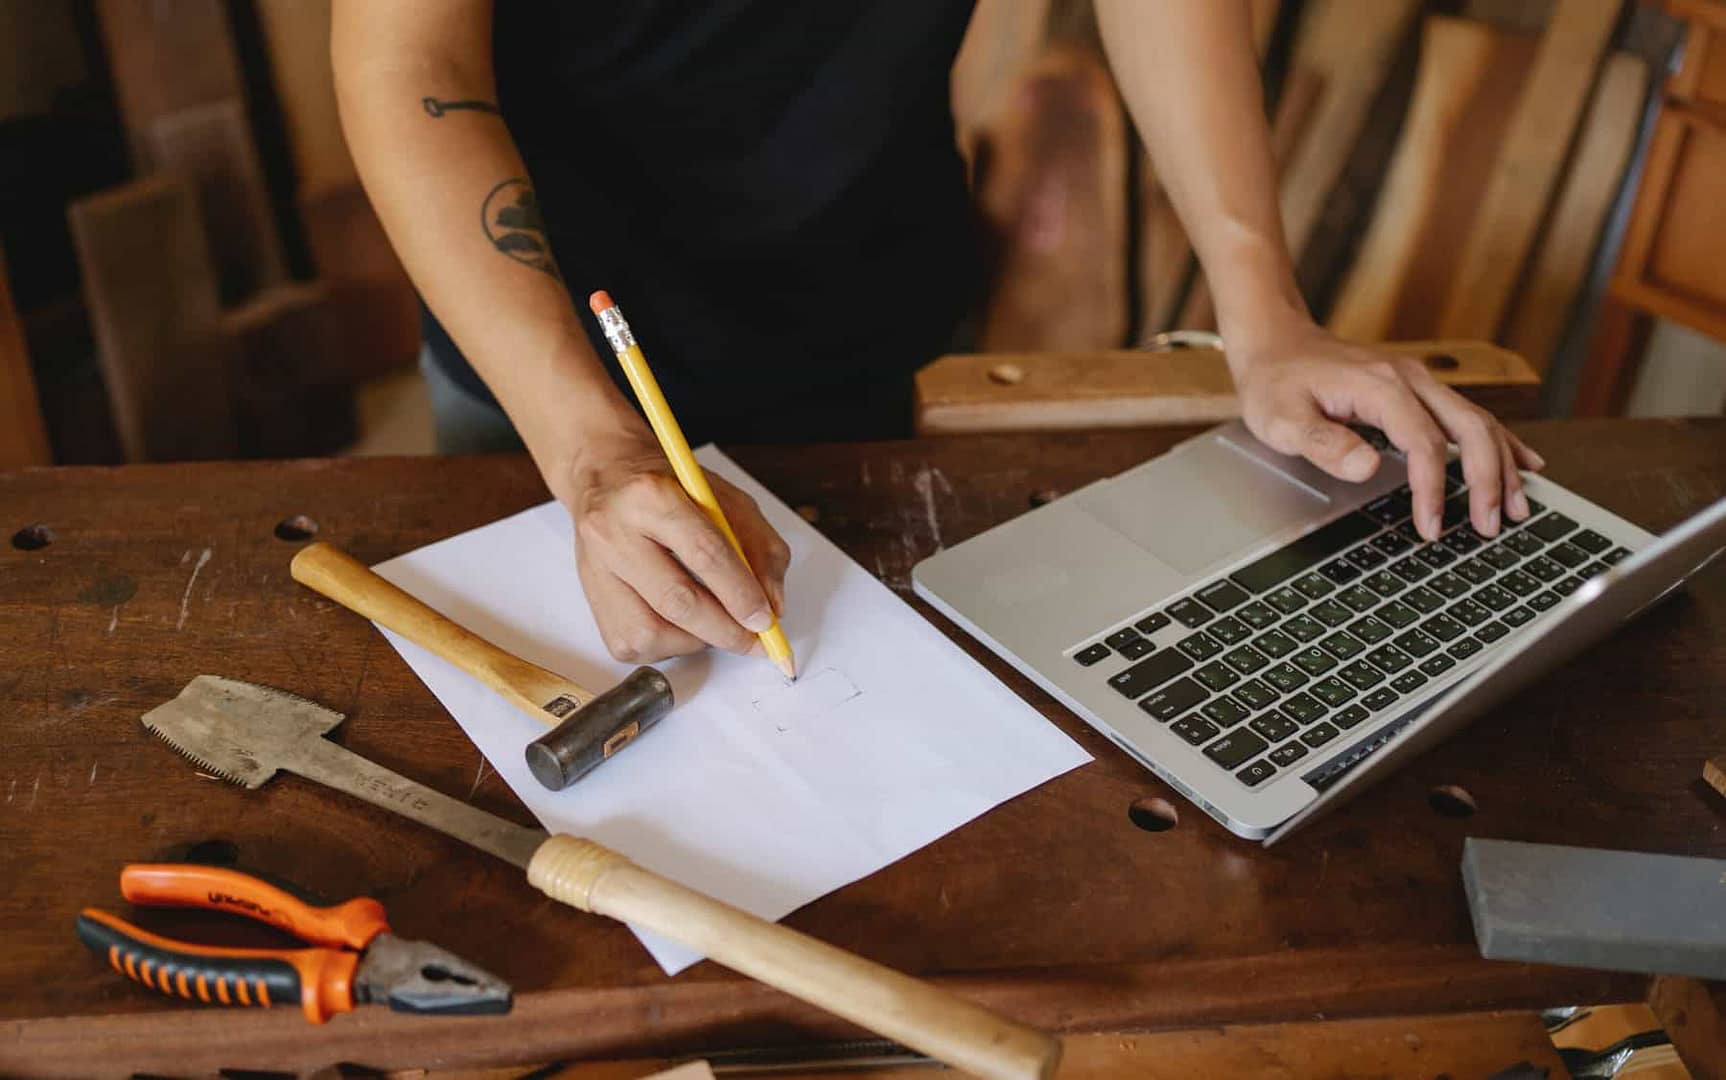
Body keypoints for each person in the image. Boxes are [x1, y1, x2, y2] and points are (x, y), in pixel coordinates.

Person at [332, 1, 1544, 668]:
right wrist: (590, 450)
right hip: (543, 345)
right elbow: (407, 57)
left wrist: (1264, 313)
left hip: (858, 302)